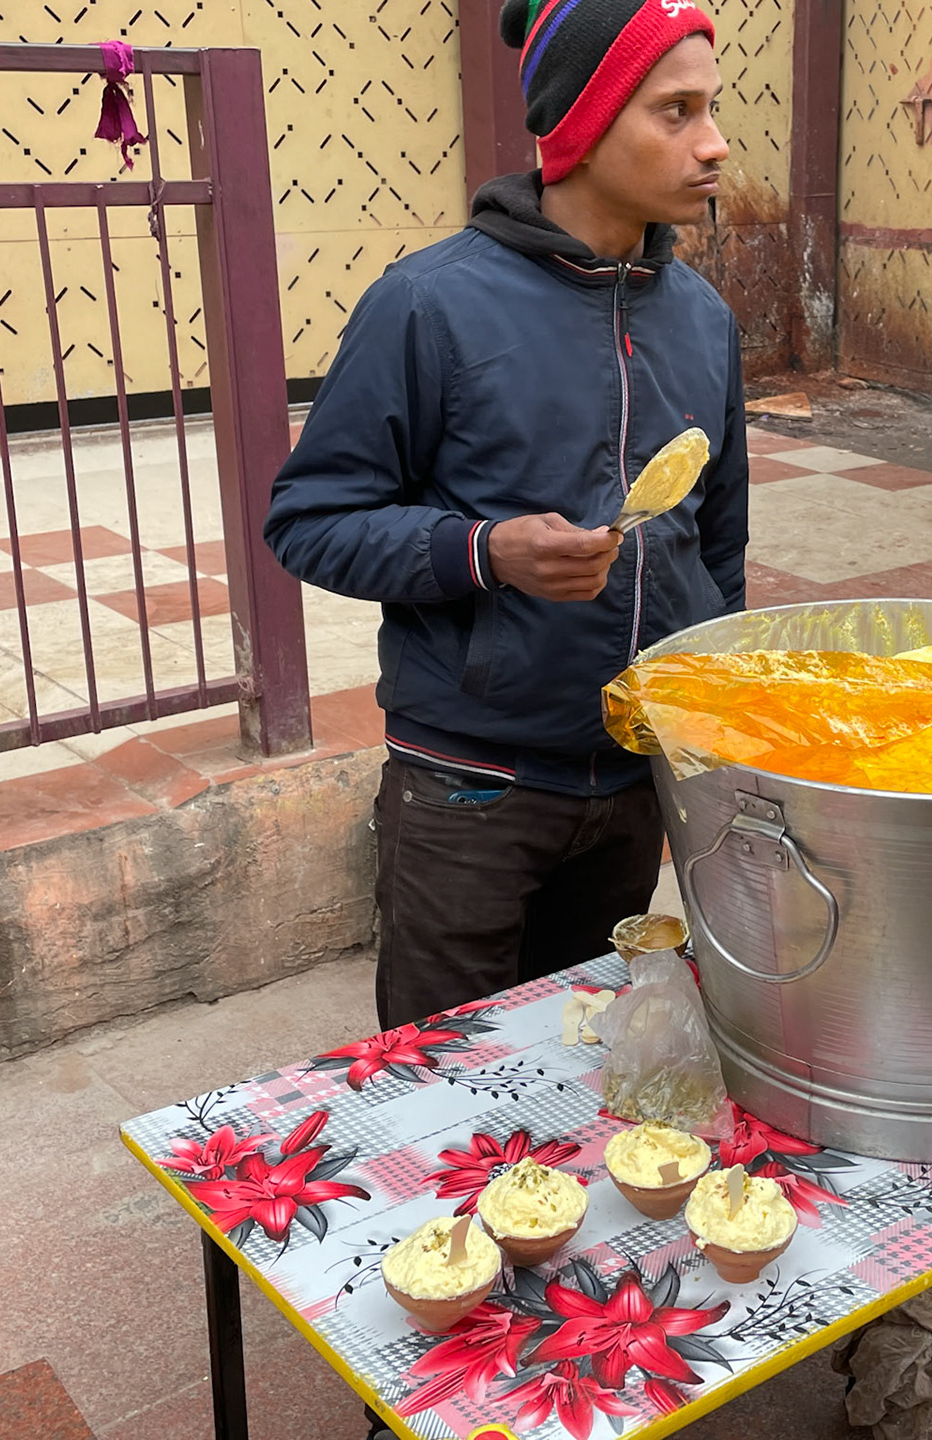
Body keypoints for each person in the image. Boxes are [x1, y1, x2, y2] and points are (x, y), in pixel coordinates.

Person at [265, 0, 748, 1036]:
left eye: (712, 107)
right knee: (444, 1073)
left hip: (636, 783)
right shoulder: (430, 305)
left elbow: (719, 549)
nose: (714, 142)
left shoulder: (704, 322)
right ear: (583, 123)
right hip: (472, 790)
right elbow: (308, 519)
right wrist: (485, 552)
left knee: (577, 1059)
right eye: (676, 111)